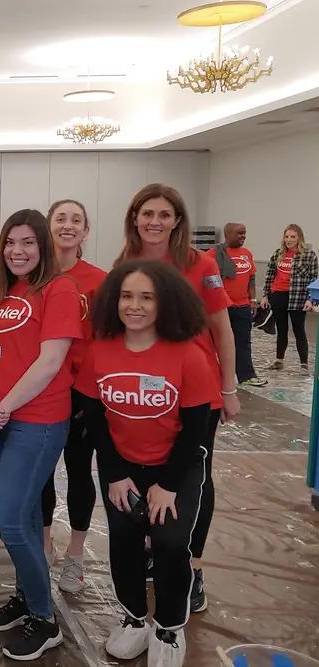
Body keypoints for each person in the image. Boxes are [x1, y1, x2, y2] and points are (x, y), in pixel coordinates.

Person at [77, 260, 213, 667]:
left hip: (177, 468)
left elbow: (195, 431)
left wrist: (168, 484)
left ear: (165, 303)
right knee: (124, 541)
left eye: (146, 297)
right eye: (126, 296)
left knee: (171, 544)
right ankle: (135, 619)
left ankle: (169, 627)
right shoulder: (100, 351)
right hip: (122, 468)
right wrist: (116, 473)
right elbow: (94, 418)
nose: (134, 305)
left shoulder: (188, 355)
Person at [116, 183, 238, 613]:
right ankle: (160, 549)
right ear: (134, 217)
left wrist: (229, 387)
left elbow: (222, 327)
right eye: (147, 213)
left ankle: (195, 564)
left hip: (196, 394)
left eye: (164, 214)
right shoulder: (126, 262)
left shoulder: (199, 263)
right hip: (144, 396)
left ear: (177, 221)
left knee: (194, 477)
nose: (154, 221)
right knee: (150, 476)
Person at [0, 209, 82, 661]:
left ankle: (44, 617)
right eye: (10, 243)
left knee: (12, 521)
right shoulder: (3, 294)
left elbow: (49, 362)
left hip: (36, 422)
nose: (17, 251)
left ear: (43, 247)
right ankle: (25, 597)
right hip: (2, 418)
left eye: (28, 243)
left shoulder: (58, 290)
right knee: (30, 515)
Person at [40, 199, 106, 593]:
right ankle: (45, 543)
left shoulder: (100, 280)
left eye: (76, 220)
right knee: (41, 474)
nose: (68, 226)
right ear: (49, 227)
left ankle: (76, 555)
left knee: (80, 473)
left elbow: (108, 340)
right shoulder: (34, 278)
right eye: (60, 219)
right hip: (44, 393)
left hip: (84, 395)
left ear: (86, 230)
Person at [261, 224, 318, 373]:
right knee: (281, 329)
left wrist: (310, 299)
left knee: (299, 330)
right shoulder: (277, 254)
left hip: (297, 296)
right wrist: (266, 295)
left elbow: (314, 278)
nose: (289, 240)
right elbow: (269, 275)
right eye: (286, 236)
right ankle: (279, 360)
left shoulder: (309, 255)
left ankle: (304, 364)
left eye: (292, 237)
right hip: (278, 295)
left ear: (299, 237)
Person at [215, 223, 267, 386]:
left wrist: (252, 300)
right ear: (228, 234)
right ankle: (216, 375)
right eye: (239, 233)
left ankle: (246, 375)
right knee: (217, 342)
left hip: (243, 307)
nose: (243, 236)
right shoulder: (214, 254)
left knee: (243, 342)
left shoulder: (247, 254)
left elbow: (251, 279)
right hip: (222, 307)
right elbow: (210, 281)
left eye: (244, 233)